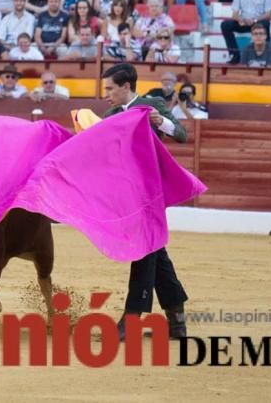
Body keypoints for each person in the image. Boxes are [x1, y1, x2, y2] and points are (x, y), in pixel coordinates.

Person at [102, 62, 188, 341]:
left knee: (144, 249)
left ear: (126, 87)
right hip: (127, 193)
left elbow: (182, 135)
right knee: (154, 251)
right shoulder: (111, 114)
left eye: (110, 89)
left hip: (151, 191)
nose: (106, 94)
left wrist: (159, 121)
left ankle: (131, 319)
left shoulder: (151, 105)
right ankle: (177, 320)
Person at [220, 0, 271, 64]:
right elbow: (234, 14)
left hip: (258, 22)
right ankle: (235, 55)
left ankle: (267, 55)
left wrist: (254, 20)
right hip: (244, 23)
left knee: (266, 23)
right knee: (225, 25)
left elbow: (268, 15)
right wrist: (240, 19)